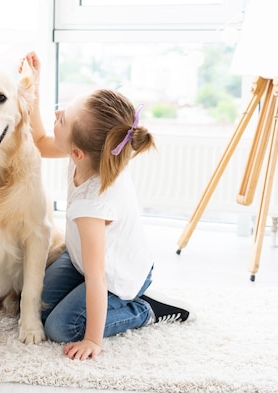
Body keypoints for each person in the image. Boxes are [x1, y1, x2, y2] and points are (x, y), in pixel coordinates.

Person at [22, 52, 195, 361]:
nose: (58, 113)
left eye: (62, 119)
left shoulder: (93, 203)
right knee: (37, 300)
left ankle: (146, 308)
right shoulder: (92, 155)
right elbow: (38, 140)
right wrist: (34, 86)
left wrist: (93, 340)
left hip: (118, 277)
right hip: (83, 261)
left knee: (60, 327)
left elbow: (98, 277)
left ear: (76, 152)